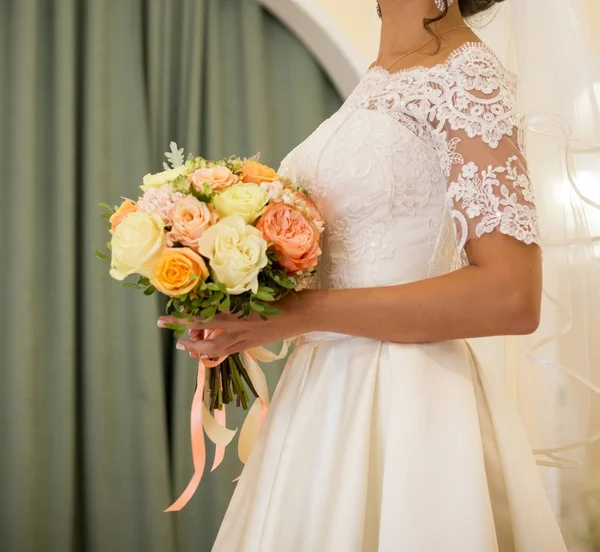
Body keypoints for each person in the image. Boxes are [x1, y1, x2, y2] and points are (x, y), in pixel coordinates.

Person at [160, 0, 569, 549]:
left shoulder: (467, 76)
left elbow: (511, 295)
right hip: (320, 398)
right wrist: (242, 299)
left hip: (407, 402)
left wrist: (293, 314)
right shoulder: (379, 79)